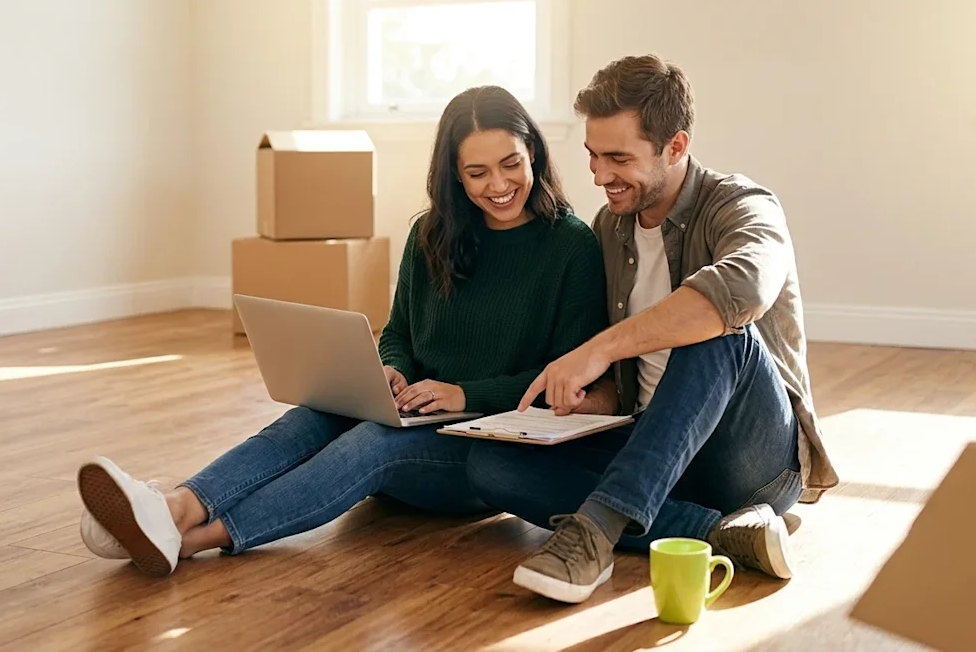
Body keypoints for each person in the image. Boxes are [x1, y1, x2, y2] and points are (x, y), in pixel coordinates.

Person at [72, 85, 610, 577]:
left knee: (375, 442)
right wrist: (392, 369)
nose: (499, 185)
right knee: (315, 414)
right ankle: (174, 509)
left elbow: (563, 381)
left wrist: (465, 393)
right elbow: (398, 330)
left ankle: (190, 541)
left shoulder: (570, 246)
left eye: (511, 164)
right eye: (477, 173)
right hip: (417, 413)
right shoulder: (431, 233)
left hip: (484, 450)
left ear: (533, 152)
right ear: (454, 174)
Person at [465, 55, 841, 604]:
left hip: (751, 461)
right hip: (653, 451)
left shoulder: (743, 205)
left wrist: (597, 349)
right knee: (492, 465)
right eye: (593, 156)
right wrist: (589, 401)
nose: (599, 176)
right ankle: (719, 534)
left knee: (717, 328)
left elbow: (741, 291)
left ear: (676, 146)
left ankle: (595, 534)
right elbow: (624, 380)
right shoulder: (608, 227)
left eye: (618, 158)